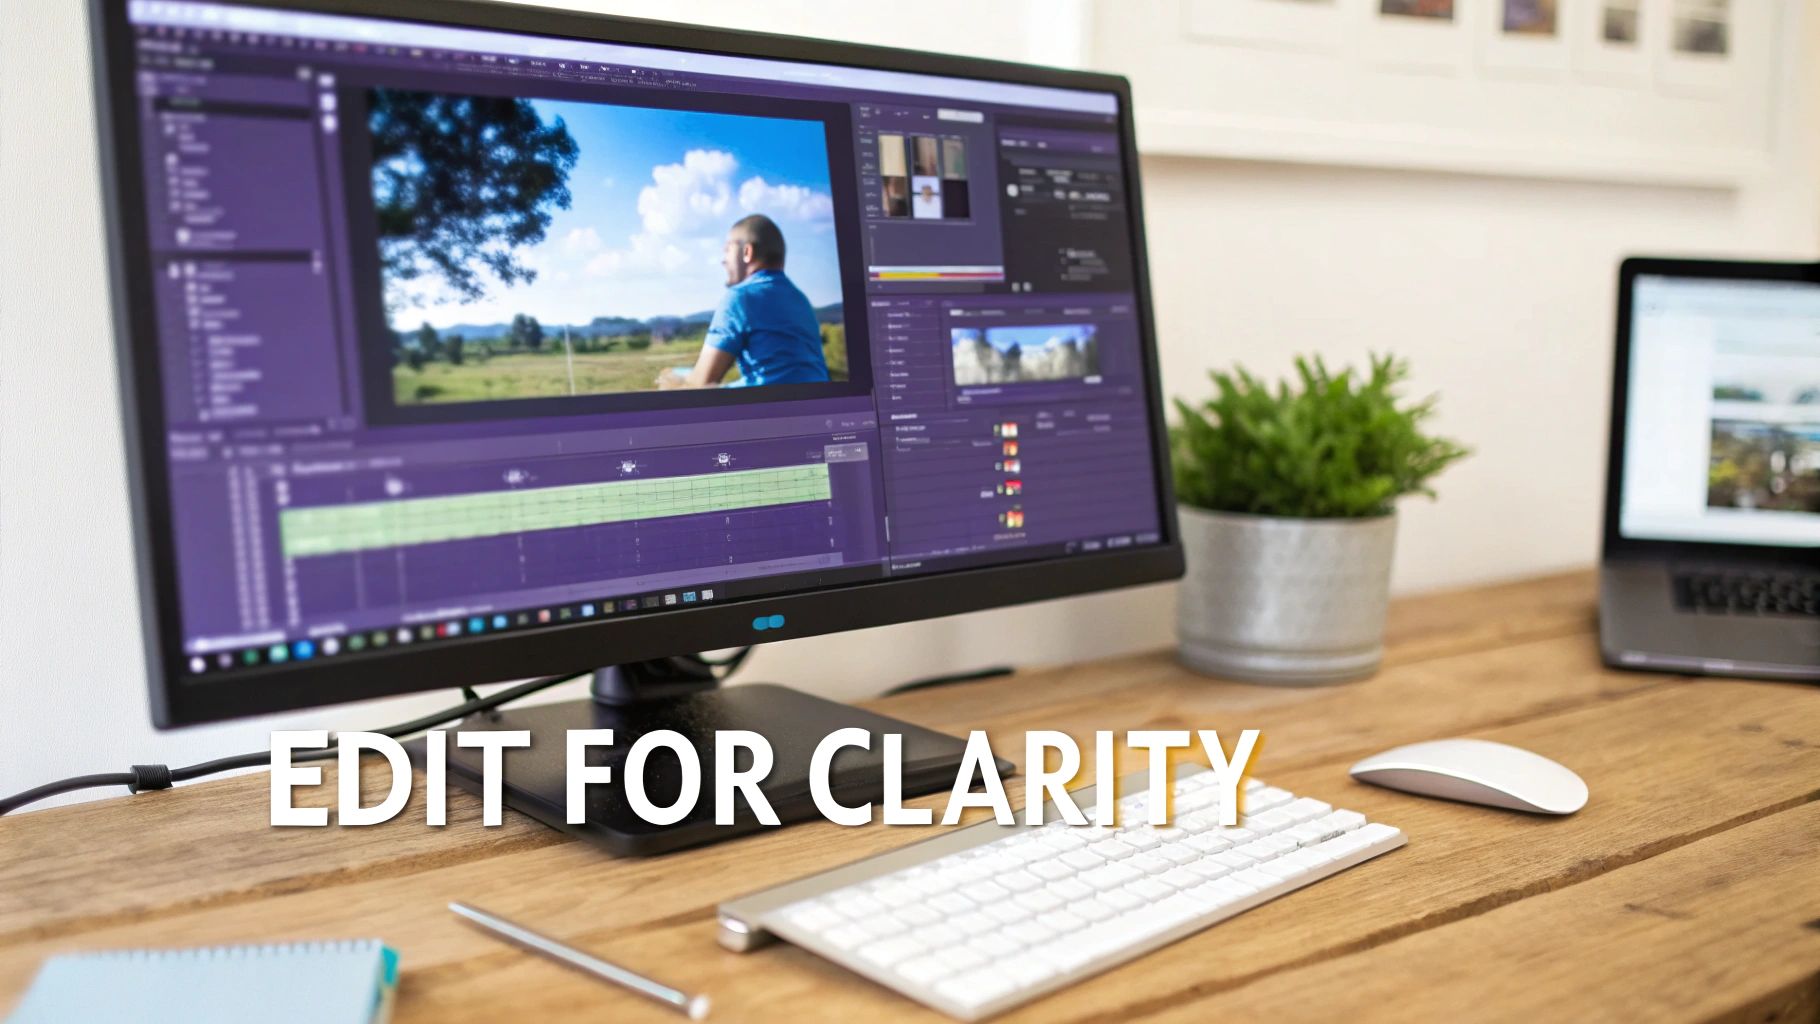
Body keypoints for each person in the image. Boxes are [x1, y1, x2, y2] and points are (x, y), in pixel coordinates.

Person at [657, 214, 829, 389]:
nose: (723, 260)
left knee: (672, 380)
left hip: (771, 411)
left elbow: (700, 384)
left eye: (727, 250)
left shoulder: (741, 297)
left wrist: (673, 378)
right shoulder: (800, 300)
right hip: (818, 405)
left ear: (747, 252)